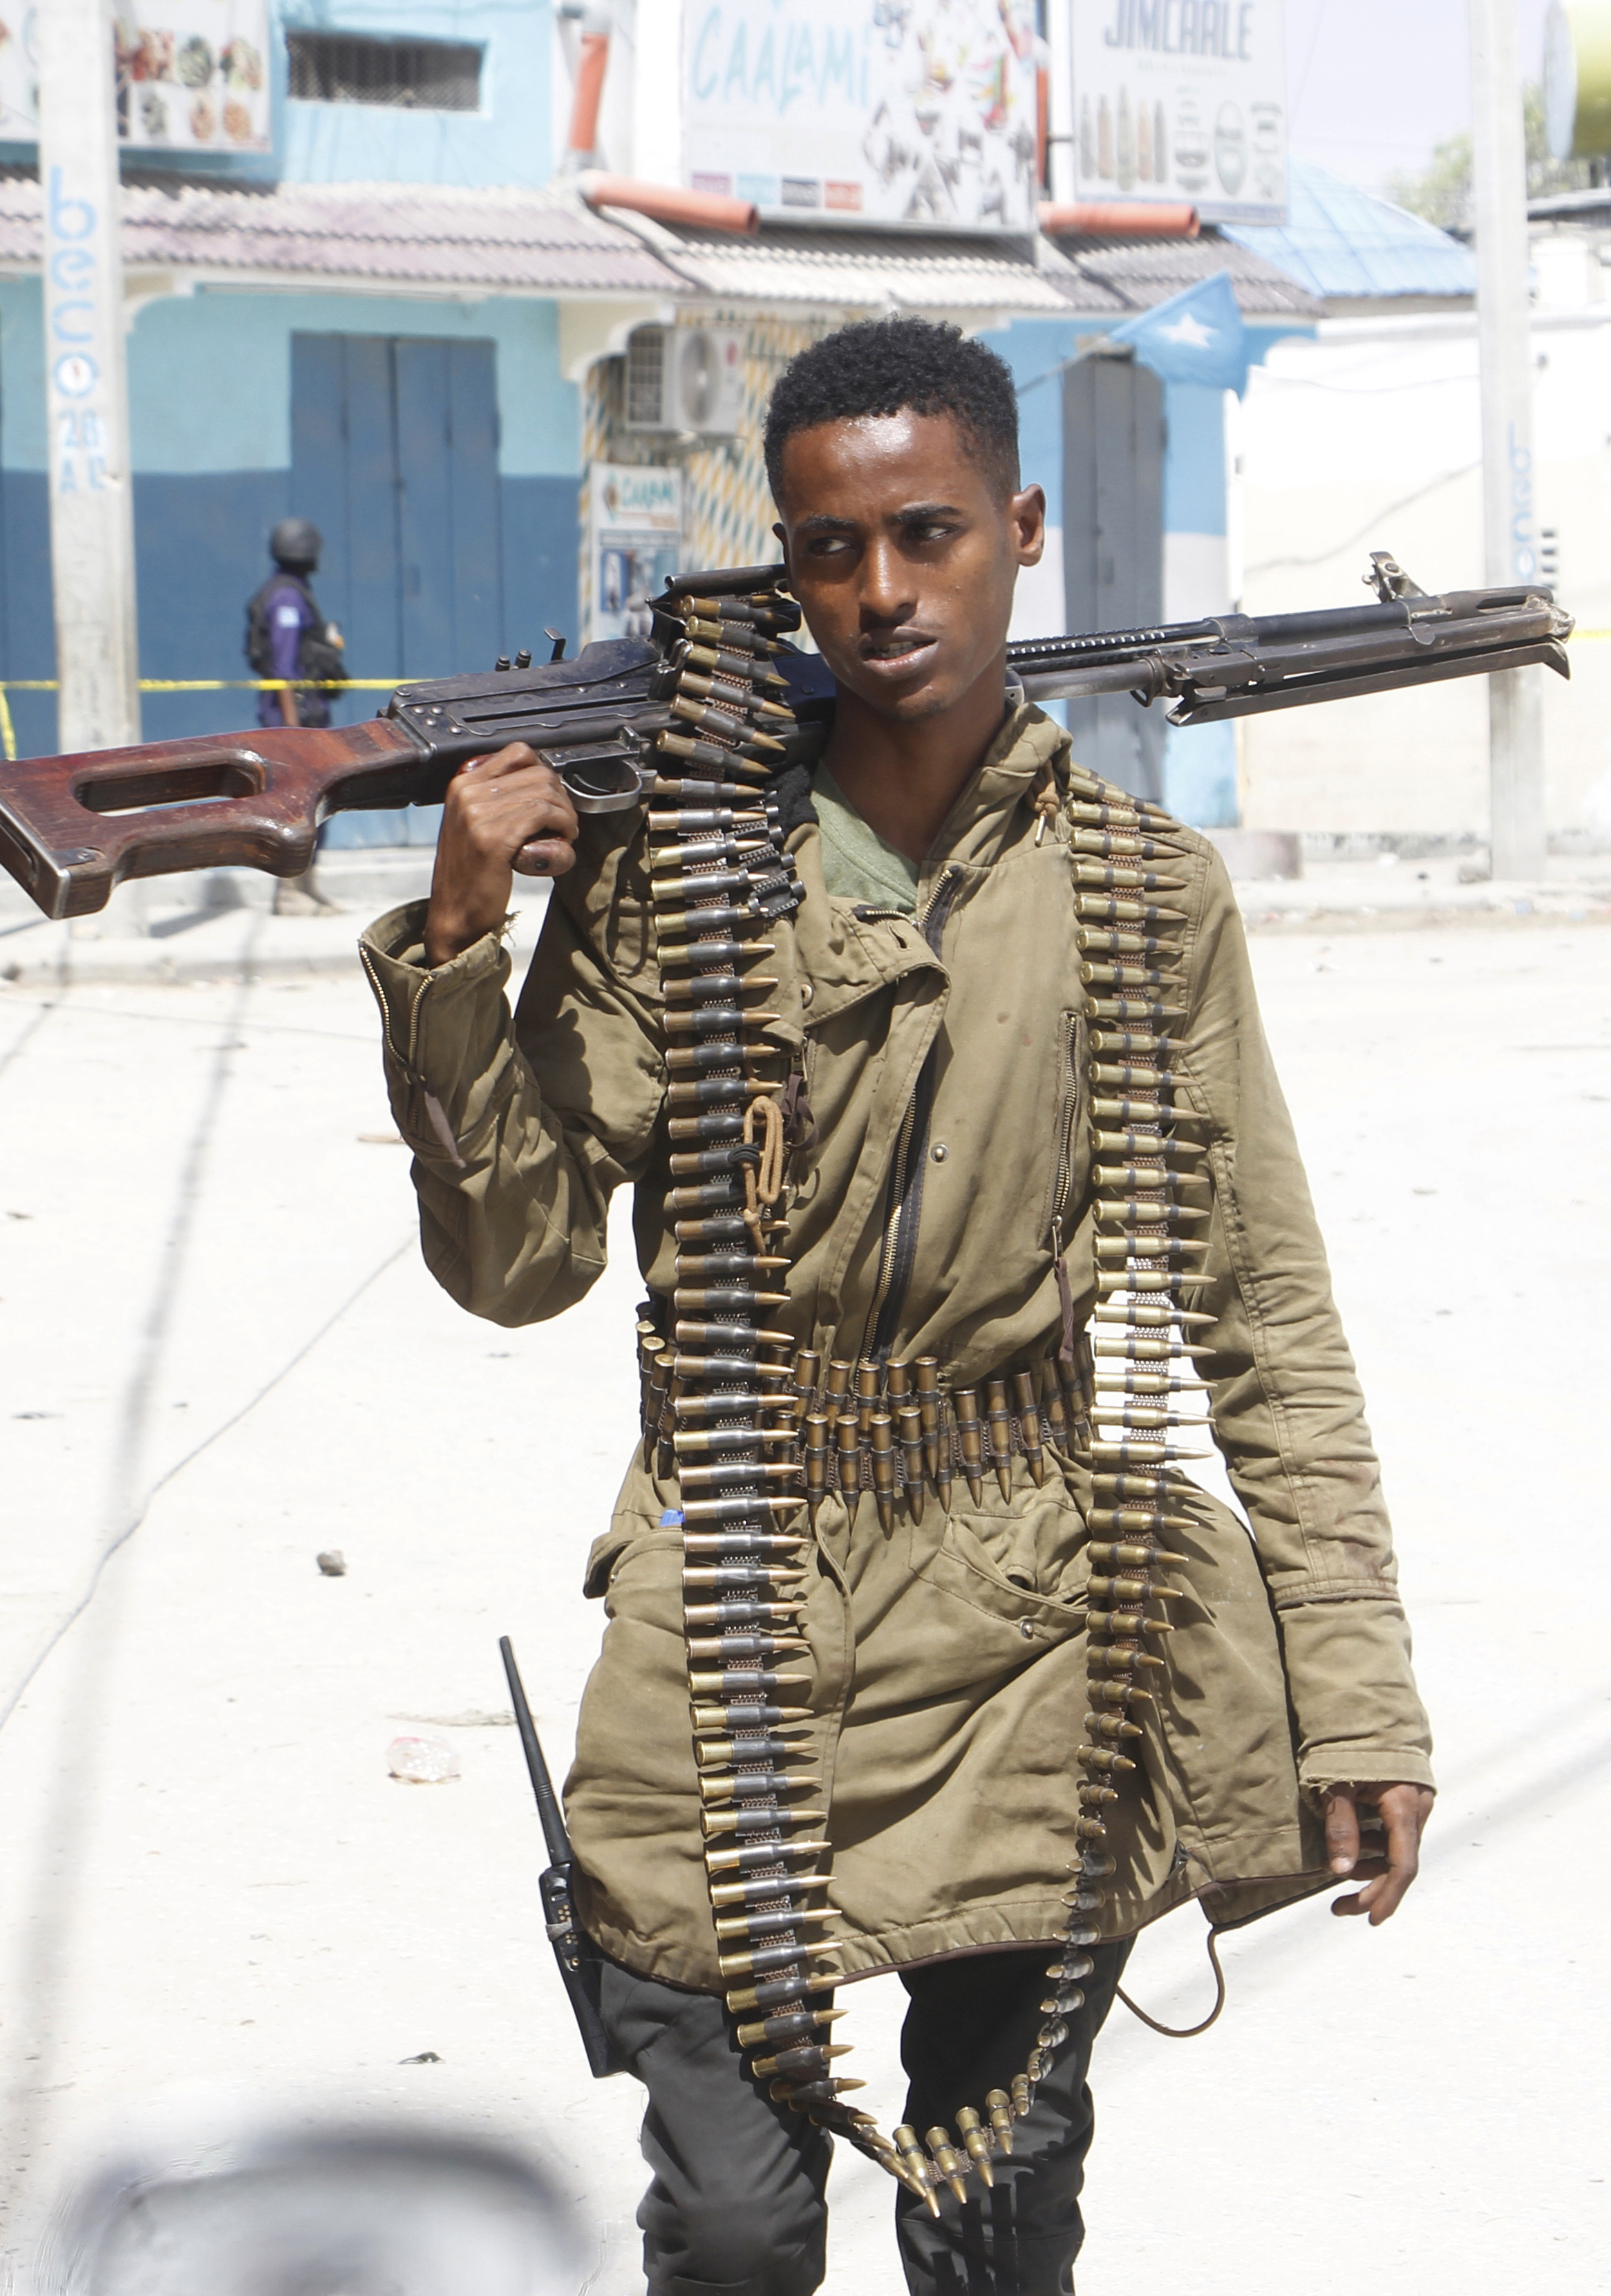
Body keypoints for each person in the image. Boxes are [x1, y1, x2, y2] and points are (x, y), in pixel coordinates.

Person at [355, 316, 1434, 2296]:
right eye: (828, 551)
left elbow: (1263, 1316)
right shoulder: (680, 873)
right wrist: (454, 951)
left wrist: (1355, 1691)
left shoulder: (1140, 890)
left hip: (1035, 1612)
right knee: (739, 2223)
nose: (878, 591)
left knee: (996, 2207)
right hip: (733, 1594)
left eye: (924, 533)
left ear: (1019, 527)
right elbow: (517, 1264)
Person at [245, 517, 345, 912]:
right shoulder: (287, 598)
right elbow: (284, 669)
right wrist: (293, 733)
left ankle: (306, 885)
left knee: (316, 805)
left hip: (305, 718)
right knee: (296, 807)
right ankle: (289, 892)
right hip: (294, 721)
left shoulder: (294, 591)